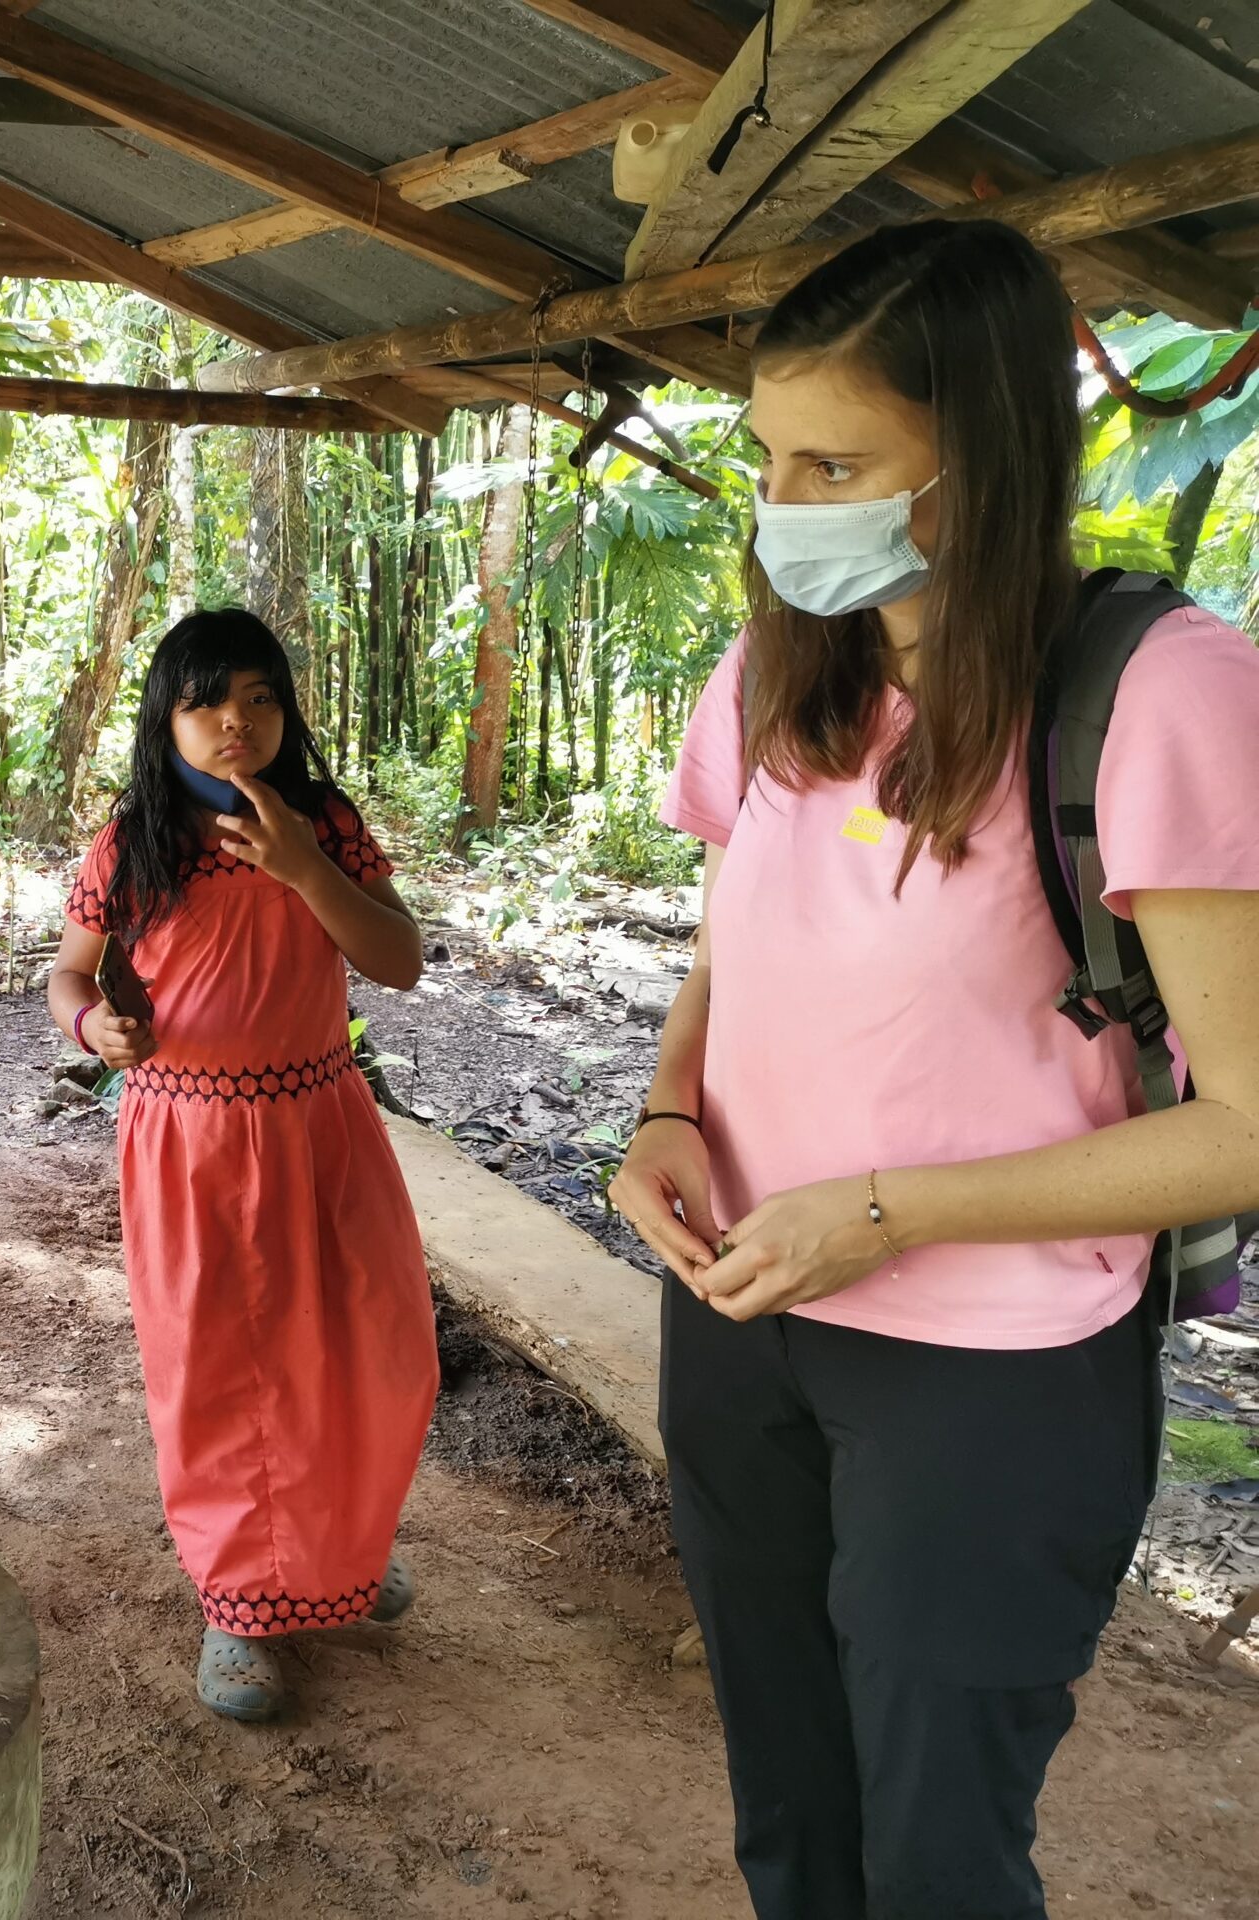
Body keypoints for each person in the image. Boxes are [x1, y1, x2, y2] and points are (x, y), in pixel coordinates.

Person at [609, 219, 1259, 1920]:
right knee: (793, 1813)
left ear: (983, 457)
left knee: (937, 1851)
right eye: (770, 454)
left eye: (838, 461)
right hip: (746, 1318)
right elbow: (731, 943)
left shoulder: (1156, 690)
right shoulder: (770, 676)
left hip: (993, 1370)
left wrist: (886, 1213)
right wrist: (673, 1106)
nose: (785, 501)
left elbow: (1245, 1130)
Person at [46, 608, 438, 1721]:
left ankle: (335, 1563)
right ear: (165, 718)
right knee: (218, 1366)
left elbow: (398, 960)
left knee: (364, 1346)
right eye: (207, 701)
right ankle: (239, 1606)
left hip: (321, 1121)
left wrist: (308, 867)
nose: (236, 722)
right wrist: (92, 1033)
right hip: (189, 1141)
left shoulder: (324, 822)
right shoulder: (134, 842)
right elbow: (67, 977)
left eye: (260, 698)